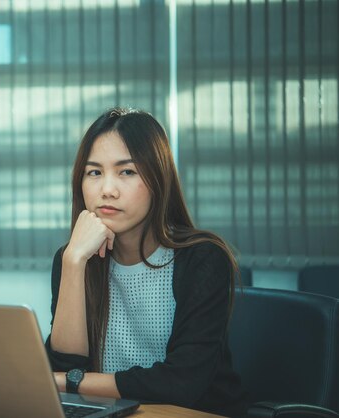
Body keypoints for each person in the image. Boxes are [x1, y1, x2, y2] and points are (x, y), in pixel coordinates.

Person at [45, 108, 248, 417]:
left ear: (157, 178)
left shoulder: (202, 258)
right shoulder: (74, 258)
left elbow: (182, 383)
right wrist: (73, 262)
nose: (107, 190)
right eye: (94, 172)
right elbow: (64, 368)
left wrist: (72, 382)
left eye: (127, 172)